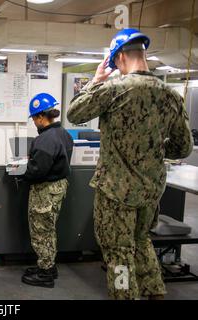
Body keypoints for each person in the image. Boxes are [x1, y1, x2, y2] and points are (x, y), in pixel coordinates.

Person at [67, 28, 193, 300]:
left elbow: (74, 114)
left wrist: (96, 81)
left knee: (118, 252)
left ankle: (124, 295)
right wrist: (155, 152)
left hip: (116, 192)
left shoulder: (114, 88)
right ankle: (155, 293)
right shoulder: (170, 94)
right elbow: (183, 146)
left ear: (120, 57)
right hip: (151, 191)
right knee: (141, 241)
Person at [21, 93, 73, 288]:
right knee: (49, 228)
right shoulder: (63, 134)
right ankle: (48, 266)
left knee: (41, 230)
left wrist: (22, 171)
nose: (34, 122)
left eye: (34, 118)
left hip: (45, 190)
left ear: (41, 117)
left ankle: (45, 273)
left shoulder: (45, 138)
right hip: (58, 187)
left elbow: (37, 170)